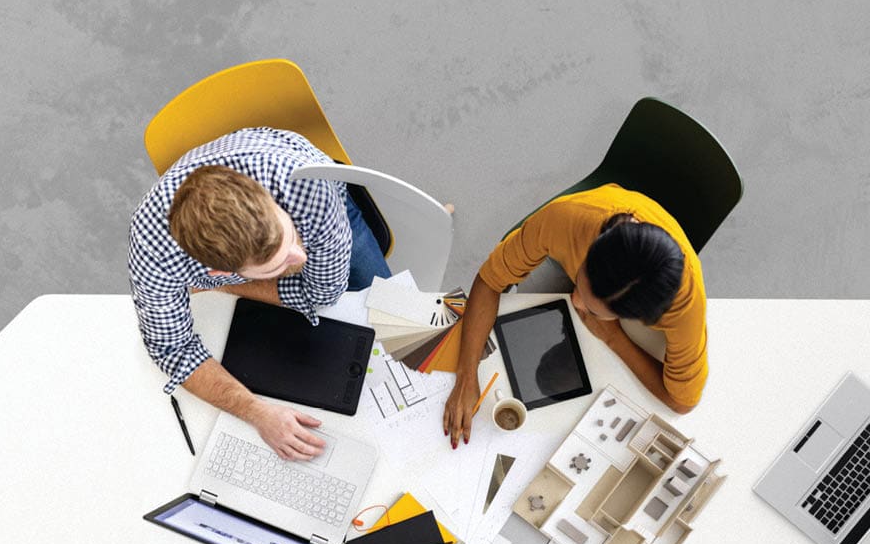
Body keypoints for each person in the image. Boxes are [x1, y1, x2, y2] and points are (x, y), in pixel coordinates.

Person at [129, 127, 390, 461]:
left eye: (289, 235)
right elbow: (173, 350)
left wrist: (223, 287)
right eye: (276, 264)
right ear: (220, 270)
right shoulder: (153, 255)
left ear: (264, 197)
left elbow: (324, 292)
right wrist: (257, 412)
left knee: (394, 316)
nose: (301, 256)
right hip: (220, 262)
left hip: (325, 195)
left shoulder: (304, 187)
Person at [443, 184, 707, 448]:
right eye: (580, 281)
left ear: (642, 318)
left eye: (592, 309)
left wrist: (614, 337)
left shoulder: (684, 306)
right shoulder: (567, 217)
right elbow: (491, 279)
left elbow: (682, 401)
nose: (575, 301)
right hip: (585, 223)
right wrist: (467, 375)